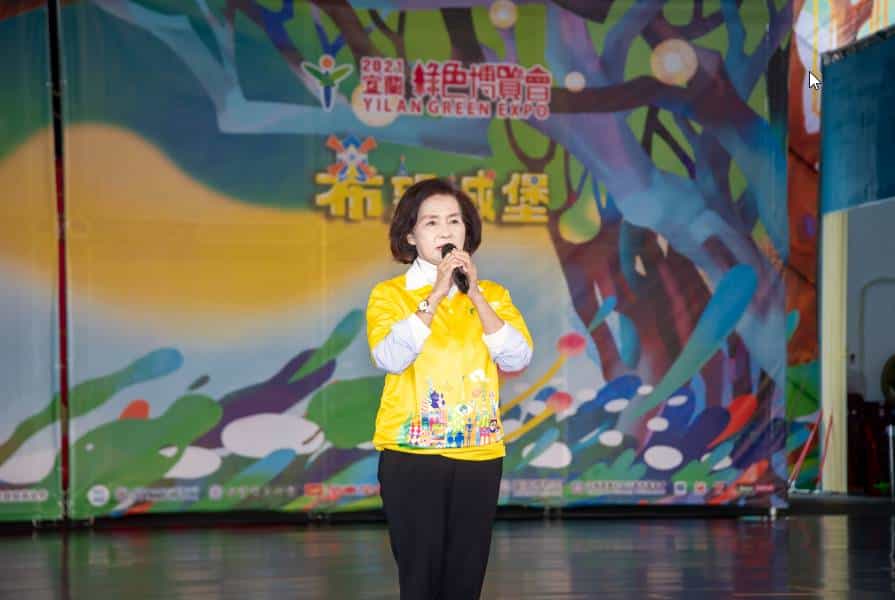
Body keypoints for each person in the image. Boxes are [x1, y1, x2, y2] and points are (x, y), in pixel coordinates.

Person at [366, 178, 533, 600]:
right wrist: (435, 295)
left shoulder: (492, 295)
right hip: (412, 454)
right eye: (432, 222)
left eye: (454, 221)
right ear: (410, 235)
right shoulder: (391, 295)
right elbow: (390, 358)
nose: (445, 231)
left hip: (479, 454)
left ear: (467, 230)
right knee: (421, 580)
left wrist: (474, 295)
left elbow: (517, 358)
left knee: (465, 580)